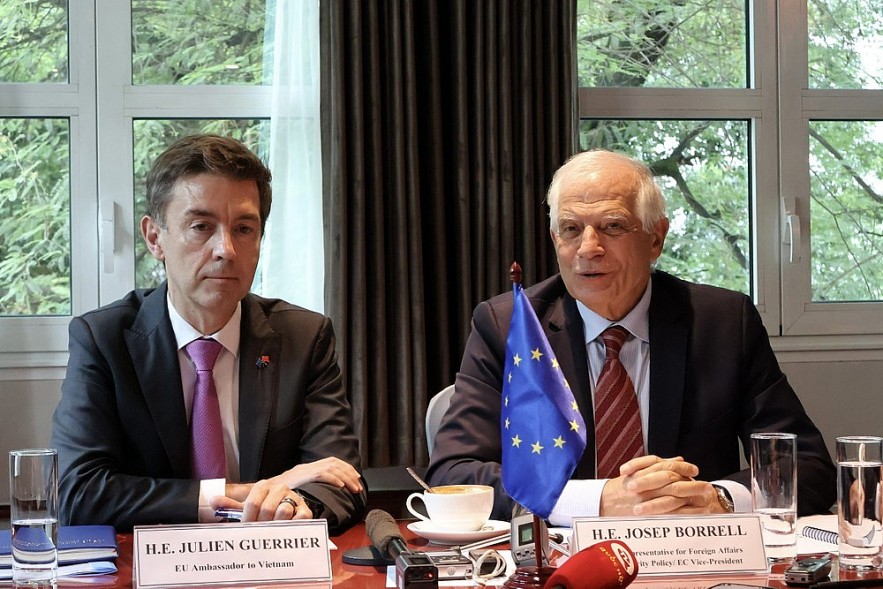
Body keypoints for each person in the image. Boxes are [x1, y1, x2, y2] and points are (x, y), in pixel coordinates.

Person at [426, 149, 836, 526]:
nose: (589, 248)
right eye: (570, 229)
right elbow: (453, 473)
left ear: (655, 238)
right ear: (555, 240)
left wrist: (719, 499)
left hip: (691, 562)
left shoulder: (724, 322)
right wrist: (597, 500)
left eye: (612, 226)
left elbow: (808, 463)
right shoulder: (508, 325)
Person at [51, 134, 366, 533]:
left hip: (271, 565)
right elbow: (78, 494)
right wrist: (253, 493)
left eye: (245, 228)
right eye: (201, 226)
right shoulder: (103, 339)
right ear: (155, 238)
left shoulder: (304, 337)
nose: (226, 249)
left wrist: (294, 506)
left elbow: (341, 482)